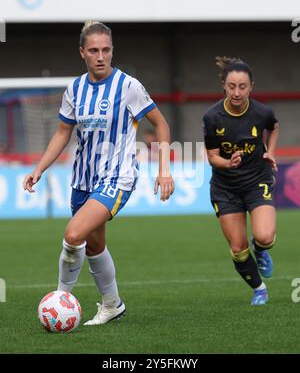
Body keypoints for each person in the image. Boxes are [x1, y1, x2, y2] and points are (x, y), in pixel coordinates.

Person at [23, 21, 175, 325]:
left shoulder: (128, 86)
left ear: (112, 51)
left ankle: (60, 301)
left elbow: (161, 124)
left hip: (118, 177)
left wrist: (165, 169)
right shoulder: (74, 89)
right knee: (94, 245)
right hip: (82, 179)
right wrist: (39, 168)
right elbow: (62, 133)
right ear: (82, 52)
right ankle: (112, 305)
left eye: (106, 50)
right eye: (94, 50)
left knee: (73, 234)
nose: (101, 56)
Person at [203, 56, 279, 306]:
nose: (237, 92)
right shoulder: (212, 117)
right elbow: (212, 157)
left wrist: (270, 151)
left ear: (251, 87)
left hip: (257, 179)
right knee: (237, 248)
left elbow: (274, 126)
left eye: (242, 87)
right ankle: (259, 288)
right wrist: (228, 163)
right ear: (224, 86)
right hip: (226, 187)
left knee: (265, 236)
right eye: (232, 86)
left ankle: (262, 250)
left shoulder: (262, 112)